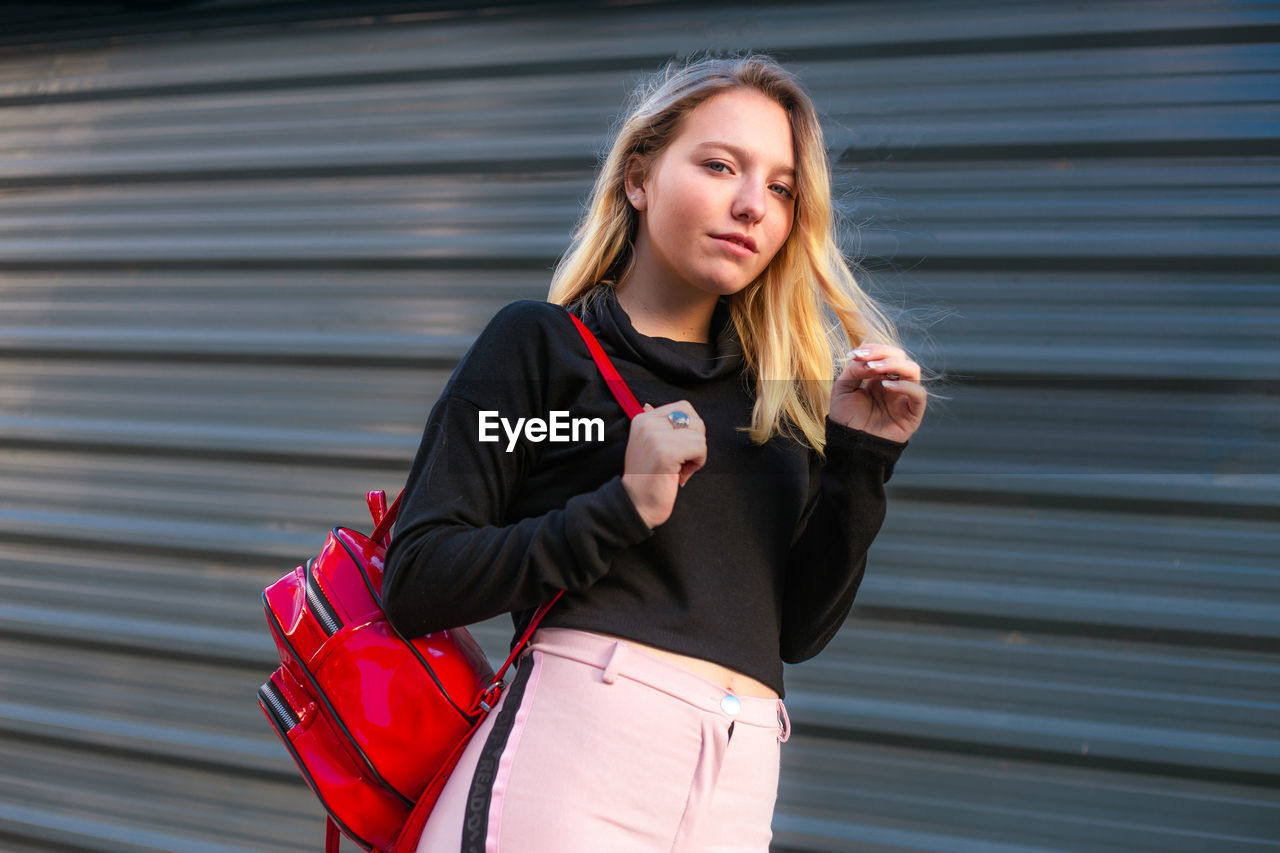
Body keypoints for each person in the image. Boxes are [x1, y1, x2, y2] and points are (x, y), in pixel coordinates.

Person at [382, 52, 926, 853]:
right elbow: (417, 578)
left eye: (779, 188)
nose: (751, 206)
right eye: (718, 165)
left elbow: (797, 631)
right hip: (573, 766)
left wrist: (861, 458)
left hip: (735, 789)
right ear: (638, 177)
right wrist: (618, 507)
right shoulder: (542, 348)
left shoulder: (779, 401)